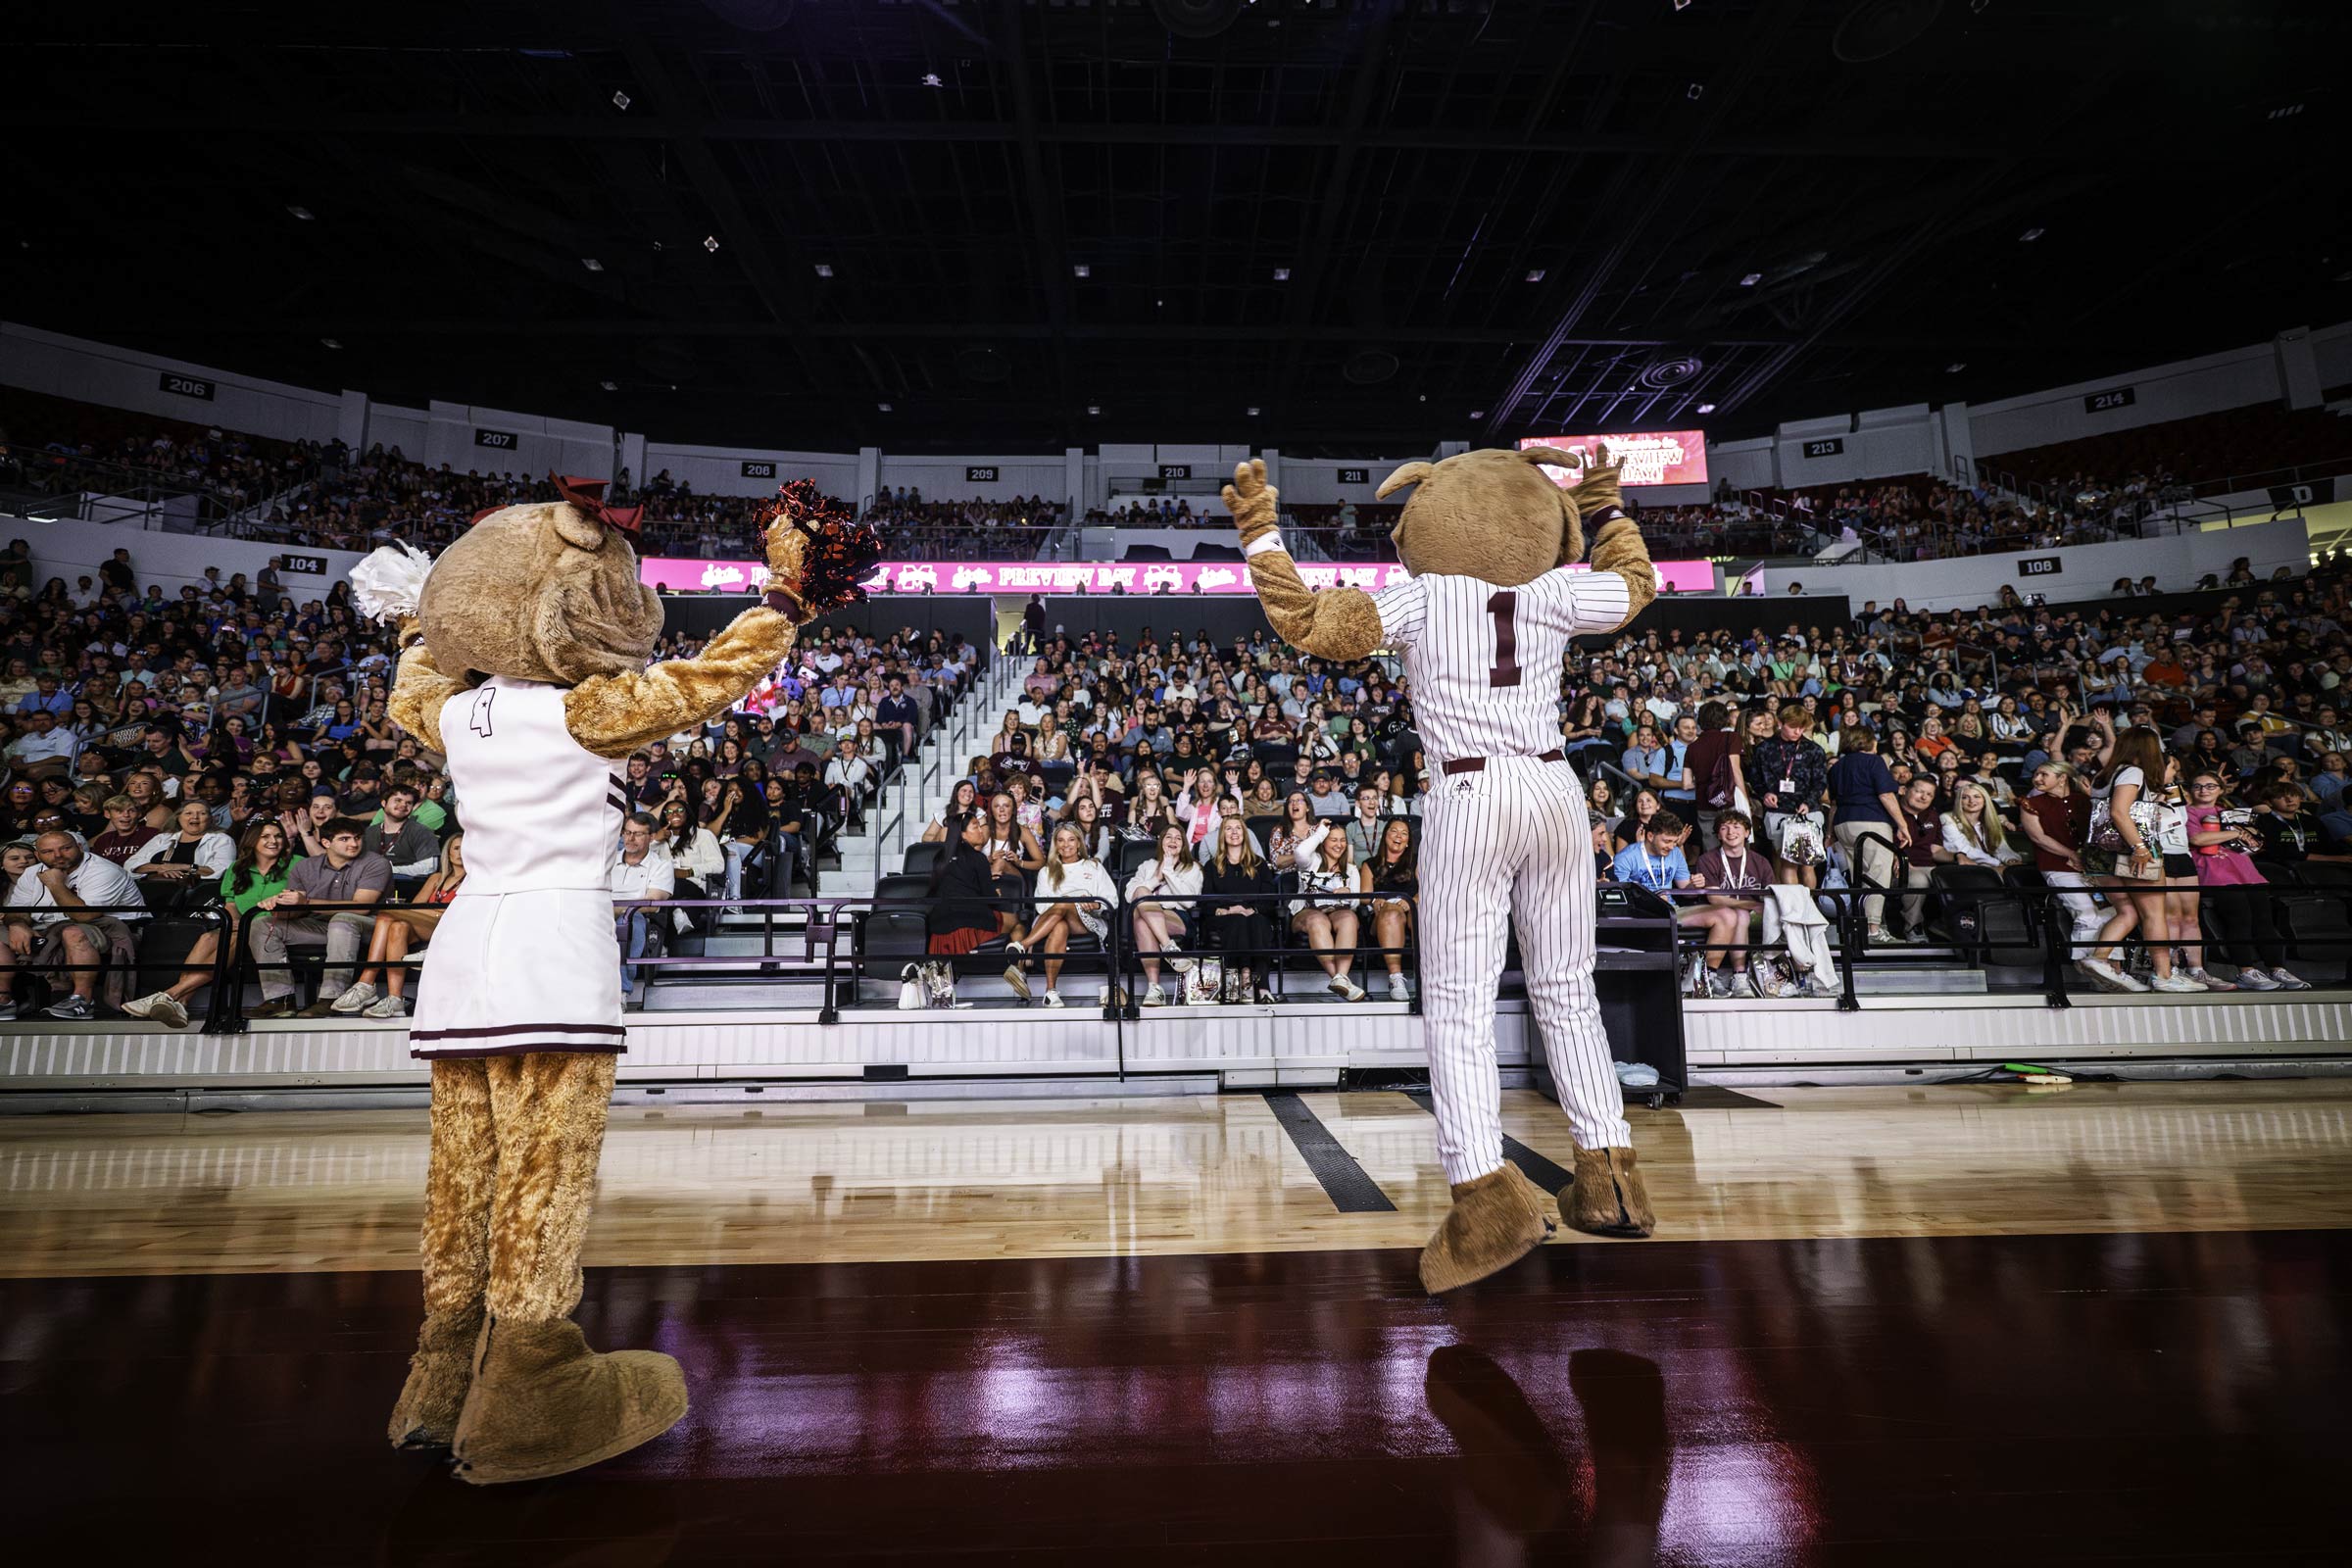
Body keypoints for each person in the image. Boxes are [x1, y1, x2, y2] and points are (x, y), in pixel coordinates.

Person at [122, 820, 302, 1028]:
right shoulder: (238, 867)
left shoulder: (297, 863)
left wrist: (241, 926)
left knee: (233, 937)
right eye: (265, 836)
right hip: (242, 925)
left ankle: (170, 995)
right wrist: (234, 921)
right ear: (252, 841)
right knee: (208, 936)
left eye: (278, 836)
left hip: (278, 926)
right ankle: (180, 1004)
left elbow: (298, 901)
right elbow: (231, 903)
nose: (274, 841)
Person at [2080, 724, 2193, 994]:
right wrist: (2140, 848)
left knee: (2127, 911)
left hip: (2100, 853)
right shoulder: (2133, 772)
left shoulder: (2103, 775)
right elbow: (2120, 812)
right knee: (2154, 914)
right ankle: (2164, 975)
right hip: (2133, 851)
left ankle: (2099, 959)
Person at [246, 816, 392, 1017]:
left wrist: (305, 902)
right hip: (321, 926)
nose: (354, 843)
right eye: (345, 839)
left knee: (343, 920)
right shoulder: (305, 866)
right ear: (326, 843)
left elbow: (362, 908)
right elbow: (298, 911)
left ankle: (331, 998)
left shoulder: (376, 863)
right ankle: (280, 1000)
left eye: (357, 838)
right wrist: (279, 905)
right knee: (262, 923)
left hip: (370, 927)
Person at [0, 829, 147, 1020]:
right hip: (49, 925)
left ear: (79, 847)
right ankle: (4, 1000)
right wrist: (17, 925)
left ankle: (82, 1001)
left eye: (65, 848)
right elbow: (17, 910)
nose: (58, 855)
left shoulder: (103, 870)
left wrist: (56, 885)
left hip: (111, 926)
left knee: (72, 932)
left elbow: (84, 915)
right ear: (38, 855)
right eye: (48, 852)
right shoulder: (32, 872)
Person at [2183, 773, 2307, 991]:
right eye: (2198, 786)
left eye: (2211, 786)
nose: (2204, 790)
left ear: (2221, 789)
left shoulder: (2230, 812)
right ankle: (2245, 971)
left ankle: (2276, 968)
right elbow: (2198, 839)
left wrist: (2246, 835)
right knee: (2240, 919)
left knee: (2264, 921)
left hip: (2245, 870)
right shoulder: (2187, 812)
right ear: (2191, 790)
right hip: (2214, 873)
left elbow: (2254, 841)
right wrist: (2233, 834)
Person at [329, 833, 468, 1018]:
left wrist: (430, 913)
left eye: (464, 848)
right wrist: (433, 912)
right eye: (456, 848)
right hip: (426, 924)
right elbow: (415, 908)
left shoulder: (473, 879)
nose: (460, 853)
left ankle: (366, 982)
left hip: (449, 928)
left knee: (387, 914)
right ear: (448, 853)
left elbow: (456, 913)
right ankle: (395, 999)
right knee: (397, 926)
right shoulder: (436, 878)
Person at [1006, 823, 1118, 1007]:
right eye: (1061, 840)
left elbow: (1112, 901)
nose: (1066, 844)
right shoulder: (1047, 871)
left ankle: (1023, 945)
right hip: (1054, 921)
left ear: (1079, 843)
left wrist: (1095, 904)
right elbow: (1042, 907)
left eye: (1071, 839)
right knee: (1060, 925)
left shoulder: (1093, 867)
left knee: (1065, 902)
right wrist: (1066, 903)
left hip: (1087, 922)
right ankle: (1051, 992)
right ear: (1055, 844)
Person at [1827, 727, 1909, 944]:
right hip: (1870, 821)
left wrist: (1829, 833)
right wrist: (1902, 825)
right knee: (1876, 875)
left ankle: (1858, 927)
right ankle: (1873, 928)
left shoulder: (1837, 767)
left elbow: (1833, 804)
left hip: (1843, 825)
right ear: (1869, 742)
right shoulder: (1874, 762)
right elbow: (1886, 794)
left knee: (1856, 878)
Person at [2017, 762, 2105, 956]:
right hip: (2057, 866)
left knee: (2110, 912)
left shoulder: (2083, 800)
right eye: (2036, 774)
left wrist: (2092, 797)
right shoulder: (2031, 804)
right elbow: (2039, 838)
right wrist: (2071, 854)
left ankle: (2109, 964)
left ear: (2062, 777)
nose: (2037, 779)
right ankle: (2085, 963)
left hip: (2092, 866)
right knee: (2086, 912)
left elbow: (2104, 823)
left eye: (2043, 774)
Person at [1688, 808, 1771, 997]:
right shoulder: (1708, 859)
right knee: (1738, 915)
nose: (1731, 832)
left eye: (1736, 827)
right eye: (1724, 828)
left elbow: (1771, 895)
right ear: (1718, 834)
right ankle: (1739, 977)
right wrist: (1750, 905)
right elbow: (1715, 898)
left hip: (1756, 915)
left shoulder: (1761, 861)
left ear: (1747, 832)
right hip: (1722, 912)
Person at [1200, 812, 1277, 1004]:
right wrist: (1226, 910)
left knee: (1257, 921)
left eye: (1238, 828)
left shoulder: (1259, 864)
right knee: (1238, 921)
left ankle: (1262, 986)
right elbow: (1206, 901)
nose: (1234, 832)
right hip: (1223, 917)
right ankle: (1244, 977)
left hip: (1254, 914)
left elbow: (1270, 898)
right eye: (1229, 828)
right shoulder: (1212, 866)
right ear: (1222, 835)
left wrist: (1253, 910)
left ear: (1245, 833)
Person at [1127, 822, 1202, 1007]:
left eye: (1178, 838)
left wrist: (1168, 872)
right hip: (1147, 915)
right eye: (1169, 836)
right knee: (1142, 915)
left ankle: (1155, 986)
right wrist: (1156, 878)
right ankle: (1168, 951)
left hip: (1176, 916)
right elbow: (1130, 895)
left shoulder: (1193, 867)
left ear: (1183, 844)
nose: (1173, 841)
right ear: (1161, 842)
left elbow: (1189, 901)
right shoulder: (1147, 865)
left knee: (1142, 917)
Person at [1291, 825, 1367, 1001]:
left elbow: (1355, 903)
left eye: (1342, 840)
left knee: (1349, 918)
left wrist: (1349, 894)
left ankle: (1341, 977)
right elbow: (1300, 852)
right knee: (1318, 920)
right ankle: (1341, 981)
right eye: (1333, 840)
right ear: (1323, 842)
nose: (1339, 845)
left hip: (1338, 911)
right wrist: (1320, 833)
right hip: (1307, 911)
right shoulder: (1311, 861)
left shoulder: (1350, 869)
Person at [609, 813, 675, 1004]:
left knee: (629, 921)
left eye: (638, 834)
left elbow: (651, 903)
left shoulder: (661, 865)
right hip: (600, 911)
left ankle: (621, 991)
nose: (630, 838)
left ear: (652, 837)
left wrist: (615, 909)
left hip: (635, 915)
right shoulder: (607, 861)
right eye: (627, 832)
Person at [123, 799, 236, 907]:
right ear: (178, 818)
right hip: (149, 890)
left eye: (202, 813)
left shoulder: (221, 839)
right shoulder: (162, 838)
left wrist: (181, 867)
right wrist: (160, 868)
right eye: (188, 813)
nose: (195, 817)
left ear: (211, 819)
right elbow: (130, 865)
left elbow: (222, 870)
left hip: (191, 895)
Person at [1361, 816, 1418, 1003]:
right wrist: (1374, 900)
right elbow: (1364, 897)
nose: (1398, 836)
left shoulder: (1417, 862)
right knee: (1392, 912)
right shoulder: (1370, 864)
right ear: (1385, 835)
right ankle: (1396, 980)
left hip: (1411, 910)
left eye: (1404, 833)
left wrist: (1413, 900)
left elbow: (1428, 889)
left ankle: (1429, 975)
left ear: (1408, 841)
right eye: (1394, 831)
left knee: (1425, 915)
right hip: (1383, 915)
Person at [363, 784, 442, 895]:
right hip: (368, 887)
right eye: (398, 800)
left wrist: (389, 870)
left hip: (407, 889)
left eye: (408, 803)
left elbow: (429, 867)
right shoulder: (369, 832)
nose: (403, 805)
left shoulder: (422, 831)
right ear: (384, 803)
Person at [1938, 780, 2024, 870]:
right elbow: (1961, 849)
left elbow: (2000, 846)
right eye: (1965, 797)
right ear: (1959, 801)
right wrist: (1997, 863)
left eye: (1977, 796)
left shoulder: (1990, 820)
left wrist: (2011, 860)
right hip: (1965, 867)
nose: (1972, 801)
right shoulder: (1947, 818)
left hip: (1990, 864)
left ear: (1985, 800)